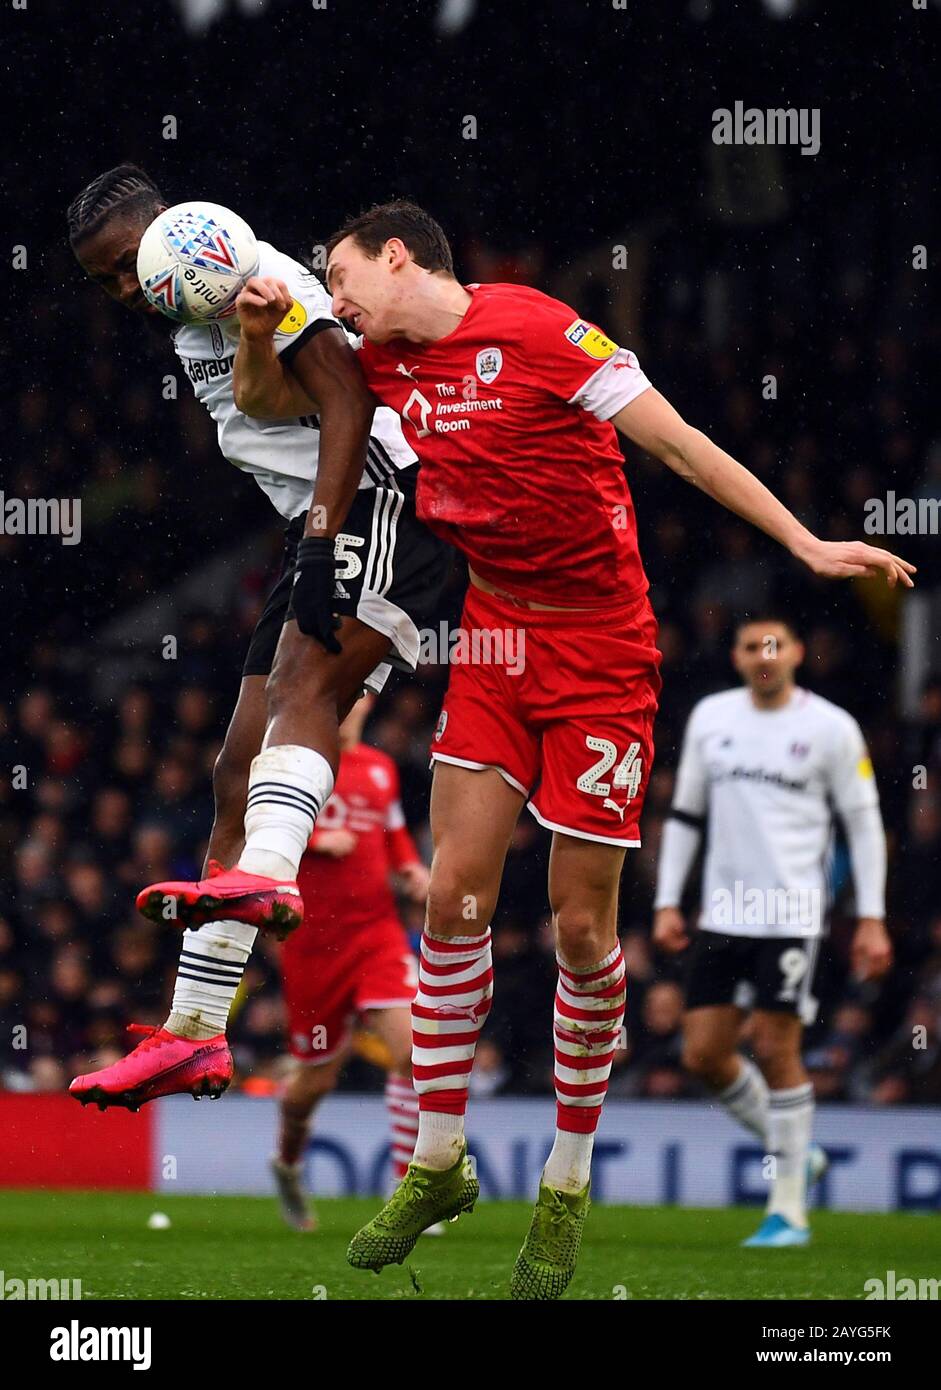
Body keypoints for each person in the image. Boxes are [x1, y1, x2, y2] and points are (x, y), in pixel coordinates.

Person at [151, 198, 913, 1299]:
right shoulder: (373, 354)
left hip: (602, 649)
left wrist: (801, 539)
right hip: (496, 636)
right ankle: (437, 1161)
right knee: (452, 895)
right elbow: (281, 401)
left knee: (577, 922)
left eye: (341, 272)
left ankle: (563, 1184)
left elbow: (681, 445)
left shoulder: (542, 331)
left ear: (397, 254)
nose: (335, 292)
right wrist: (263, 329)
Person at [66, 169, 450, 1111]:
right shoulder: (203, 309)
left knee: (299, 700)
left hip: (378, 501)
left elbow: (350, 405)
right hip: (312, 523)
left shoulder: (249, 270)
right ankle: (193, 1034)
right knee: (235, 768)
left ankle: (271, 881)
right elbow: (273, 407)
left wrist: (322, 540)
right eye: (107, 283)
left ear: (168, 232)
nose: (127, 292)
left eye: (127, 267)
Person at [653, 615, 892, 1247]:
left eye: (776, 645)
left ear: (797, 652)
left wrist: (872, 917)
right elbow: (684, 813)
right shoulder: (711, 718)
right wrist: (668, 900)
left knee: (775, 1046)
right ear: (735, 656)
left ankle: (788, 1209)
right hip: (722, 912)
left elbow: (863, 825)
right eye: (752, 646)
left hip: (790, 914)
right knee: (703, 1055)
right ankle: (797, 1152)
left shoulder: (831, 728)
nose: (764, 655)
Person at [271, 695, 428, 1232]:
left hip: (377, 935)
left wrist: (411, 870)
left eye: (358, 694)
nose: (348, 704)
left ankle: (411, 1188)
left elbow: (394, 836)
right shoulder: (293, 763)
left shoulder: (380, 769)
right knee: (311, 1087)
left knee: (415, 1052)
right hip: (313, 946)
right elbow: (257, 832)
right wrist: (316, 839)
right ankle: (288, 1164)